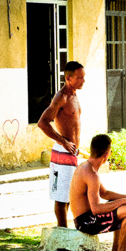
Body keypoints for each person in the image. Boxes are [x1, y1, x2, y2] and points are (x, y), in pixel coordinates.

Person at [69, 134, 126, 251]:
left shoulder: (86, 167)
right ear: (106, 155)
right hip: (86, 222)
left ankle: (116, 250)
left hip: (85, 219)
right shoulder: (91, 174)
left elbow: (105, 193)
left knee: (121, 205)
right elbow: (96, 209)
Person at [38, 61, 85, 228]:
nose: (83, 81)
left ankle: (64, 230)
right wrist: (63, 141)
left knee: (69, 194)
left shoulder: (74, 95)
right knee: (61, 196)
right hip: (63, 151)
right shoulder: (61, 97)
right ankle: (62, 231)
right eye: (79, 78)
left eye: (83, 77)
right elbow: (42, 123)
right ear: (68, 78)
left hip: (72, 153)